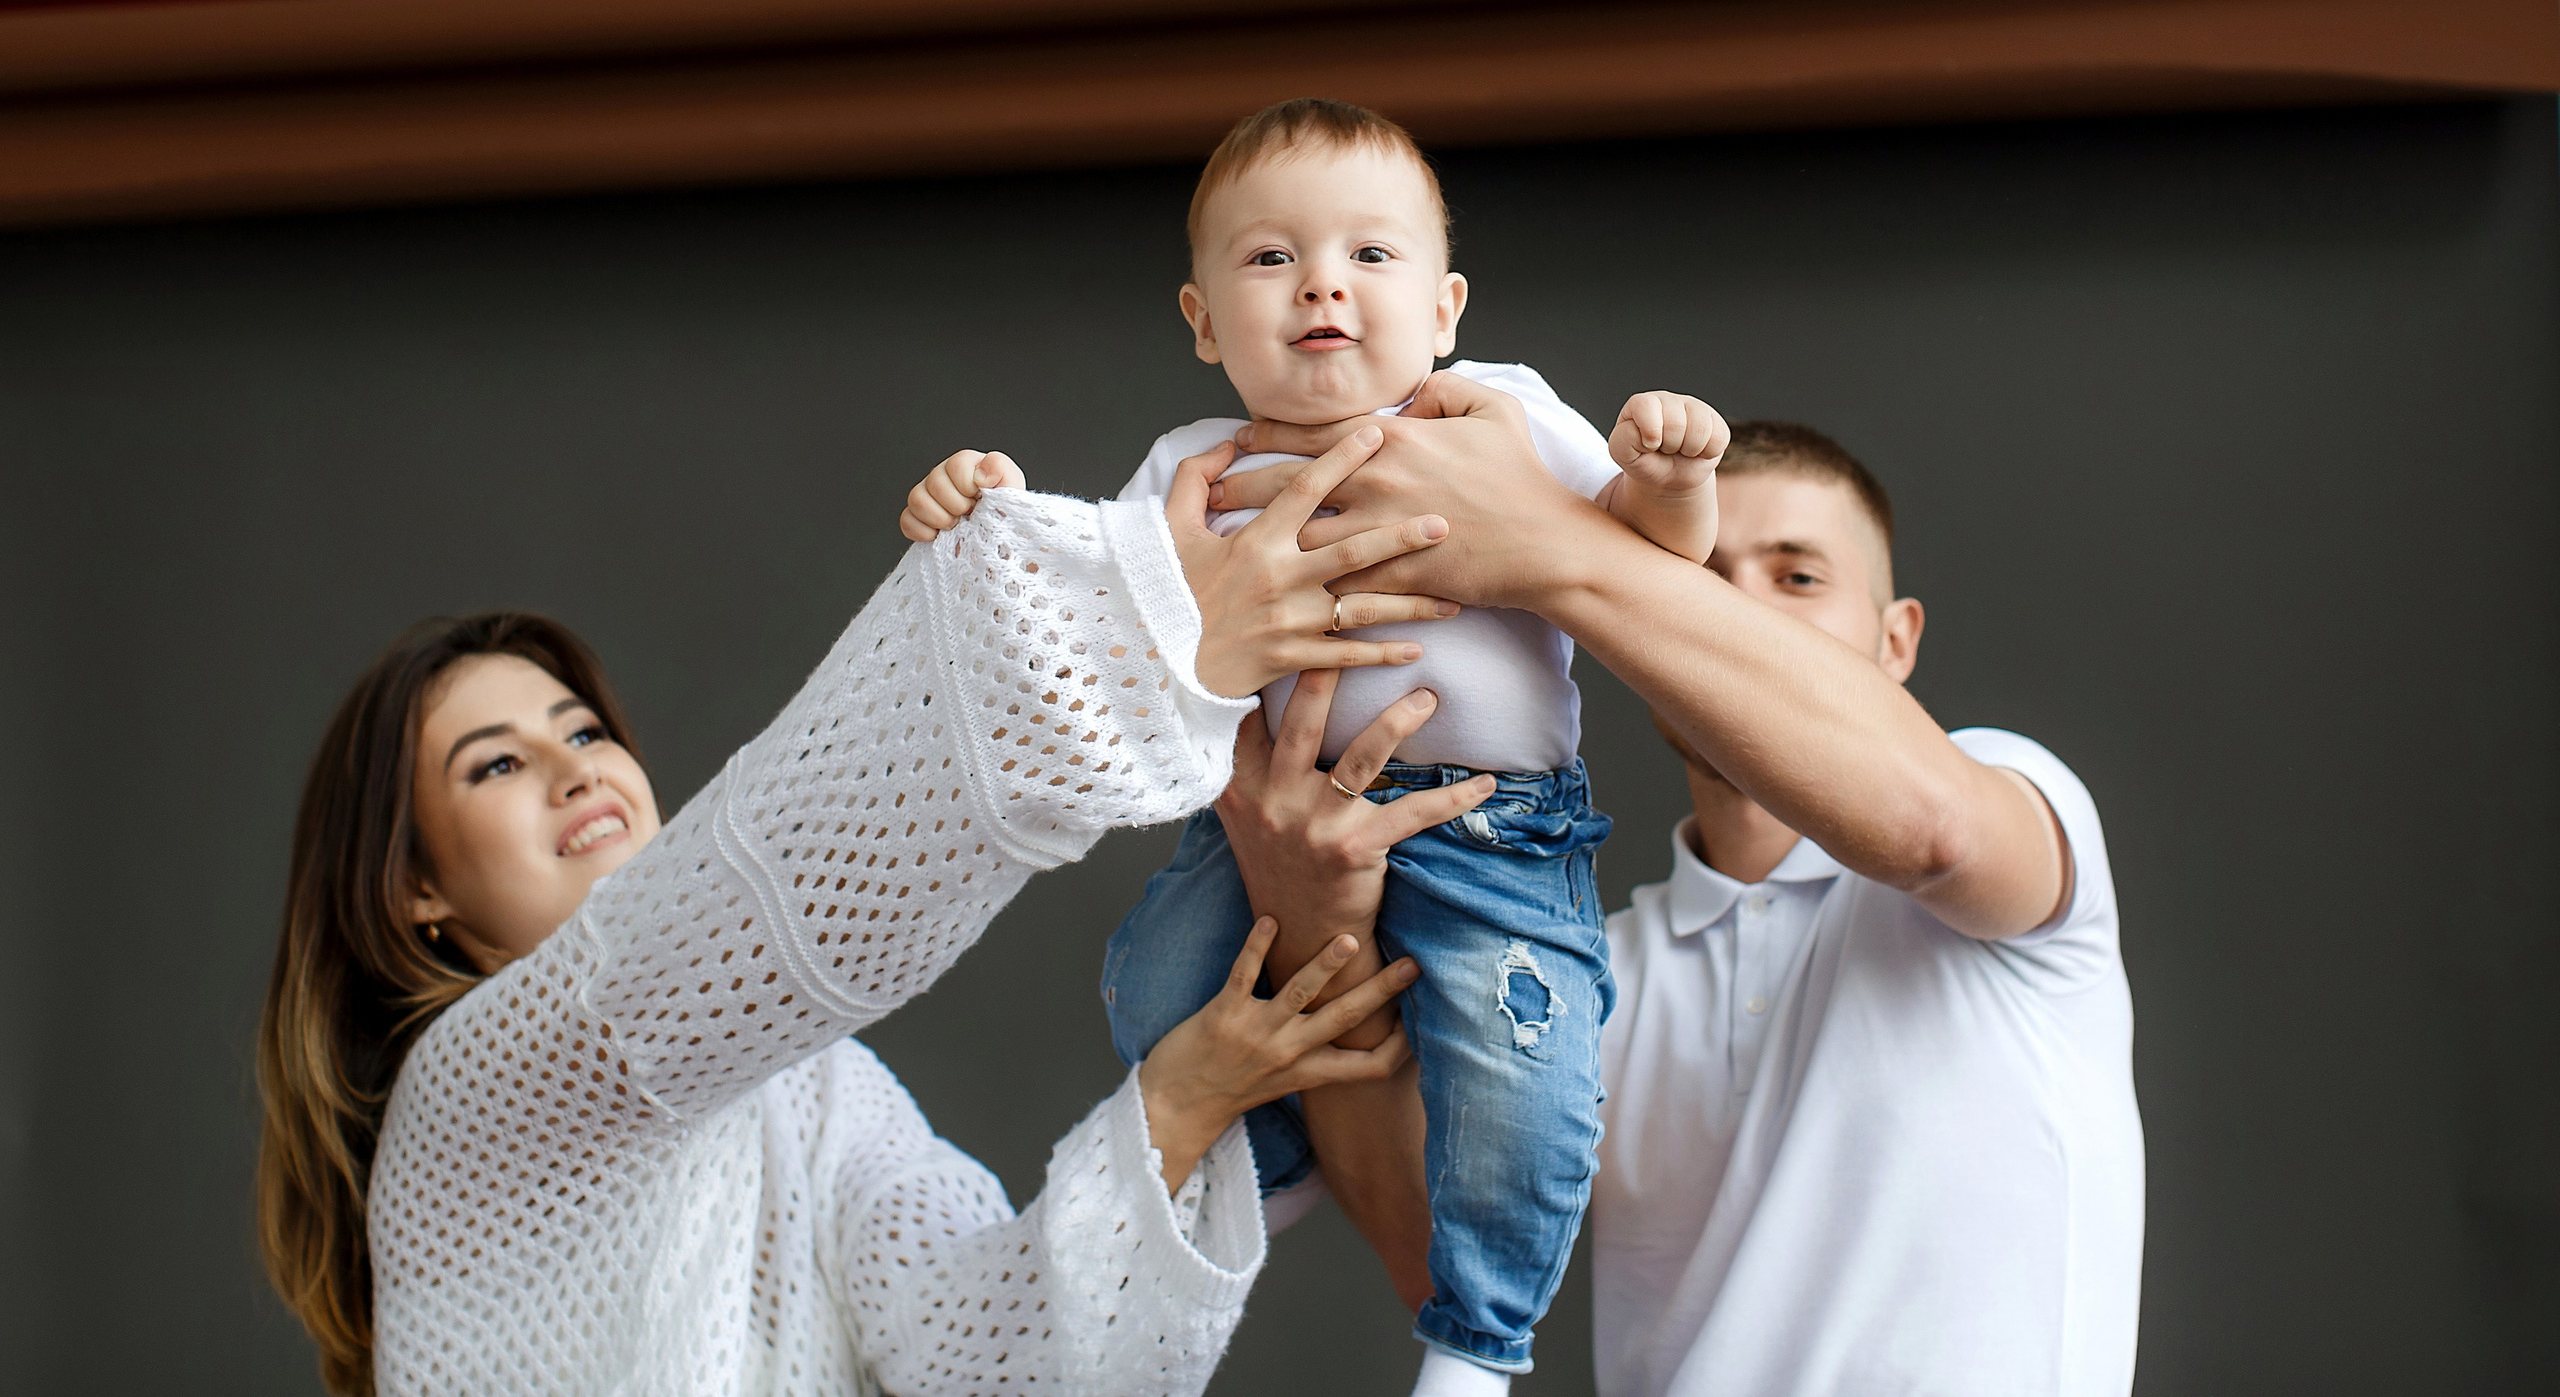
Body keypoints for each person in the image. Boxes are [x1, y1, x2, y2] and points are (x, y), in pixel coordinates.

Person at [254, 433, 1478, 1397]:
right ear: (413, 889)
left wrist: (1186, 1098)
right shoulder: (469, 1091)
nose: (576, 767)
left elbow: (989, 1365)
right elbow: (765, 893)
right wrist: (1143, 637)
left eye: (582, 729)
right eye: (495, 764)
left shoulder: (821, 1095)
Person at [899, 97, 1728, 1390]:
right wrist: (986, 517)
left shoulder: (1493, 414)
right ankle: (1261, 1167)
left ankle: (1477, 1340)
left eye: (1371, 256)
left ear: (1447, 308)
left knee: (1527, 1086)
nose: (1322, 285)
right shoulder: (1191, 467)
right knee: (1156, 981)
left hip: (1492, 825)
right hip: (1257, 829)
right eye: (1272, 257)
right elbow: (1086, 621)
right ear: (1203, 320)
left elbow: (1652, 556)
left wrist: (1670, 481)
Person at [1203, 398, 2145, 1397]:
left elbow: (1932, 834)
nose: (1734, 612)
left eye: (1797, 577)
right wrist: (1314, 919)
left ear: (1895, 638)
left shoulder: (2013, 796)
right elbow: (1425, 1253)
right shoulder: (1588, 972)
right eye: (1698, 579)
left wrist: (1552, 549)